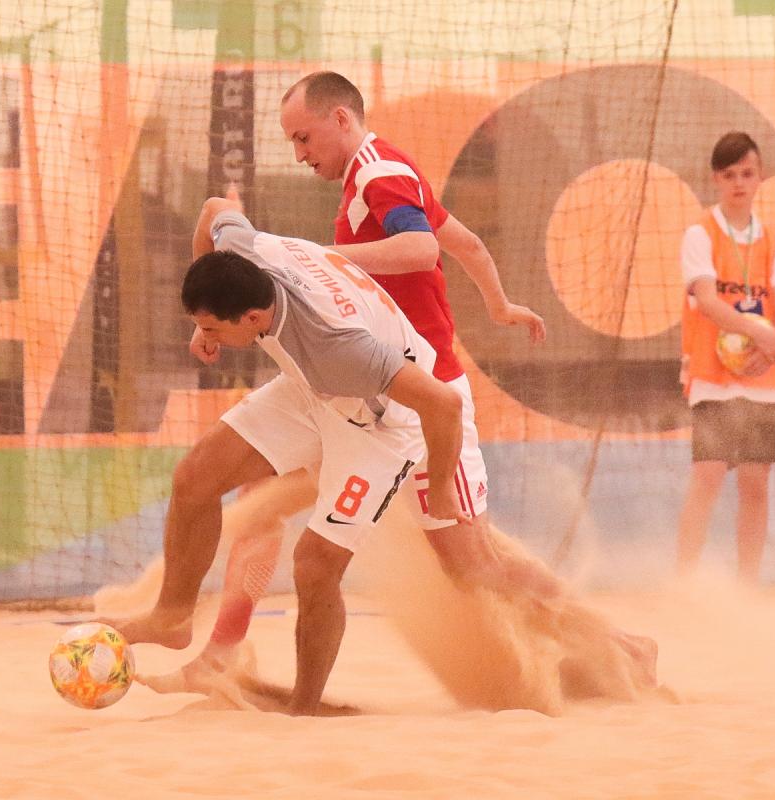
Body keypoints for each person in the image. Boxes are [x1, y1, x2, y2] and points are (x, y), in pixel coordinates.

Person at [143, 71, 560, 691]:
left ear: (341, 119)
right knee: (251, 489)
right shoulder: (381, 168)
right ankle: (217, 651)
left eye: (303, 138)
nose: (299, 154)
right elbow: (466, 243)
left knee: (472, 567)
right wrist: (498, 305)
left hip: (409, 396)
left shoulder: (377, 174)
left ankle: (607, 641)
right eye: (291, 142)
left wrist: (321, 258)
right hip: (346, 388)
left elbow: (422, 249)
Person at [107, 195, 505, 714]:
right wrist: (204, 317)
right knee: (195, 477)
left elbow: (442, 404)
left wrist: (444, 487)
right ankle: (173, 616)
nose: (206, 339)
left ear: (253, 317)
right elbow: (212, 209)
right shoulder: (249, 250)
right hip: (311, 389)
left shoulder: (337, 347)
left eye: (215, 328)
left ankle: (305, 707)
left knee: (316, 565)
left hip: (380, 424)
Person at [677, 131, 775, 583]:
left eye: (747, 173)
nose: (739, 183)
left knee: (754, 483)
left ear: (760, 176)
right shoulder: (700, 234)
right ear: (716, 179)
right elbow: (708, 302)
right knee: (708, 476)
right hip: (713, 374)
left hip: (763, 377)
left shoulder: (774, 242)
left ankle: (747, 587)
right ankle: (683, 582)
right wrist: (762, 334)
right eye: (729, 175)